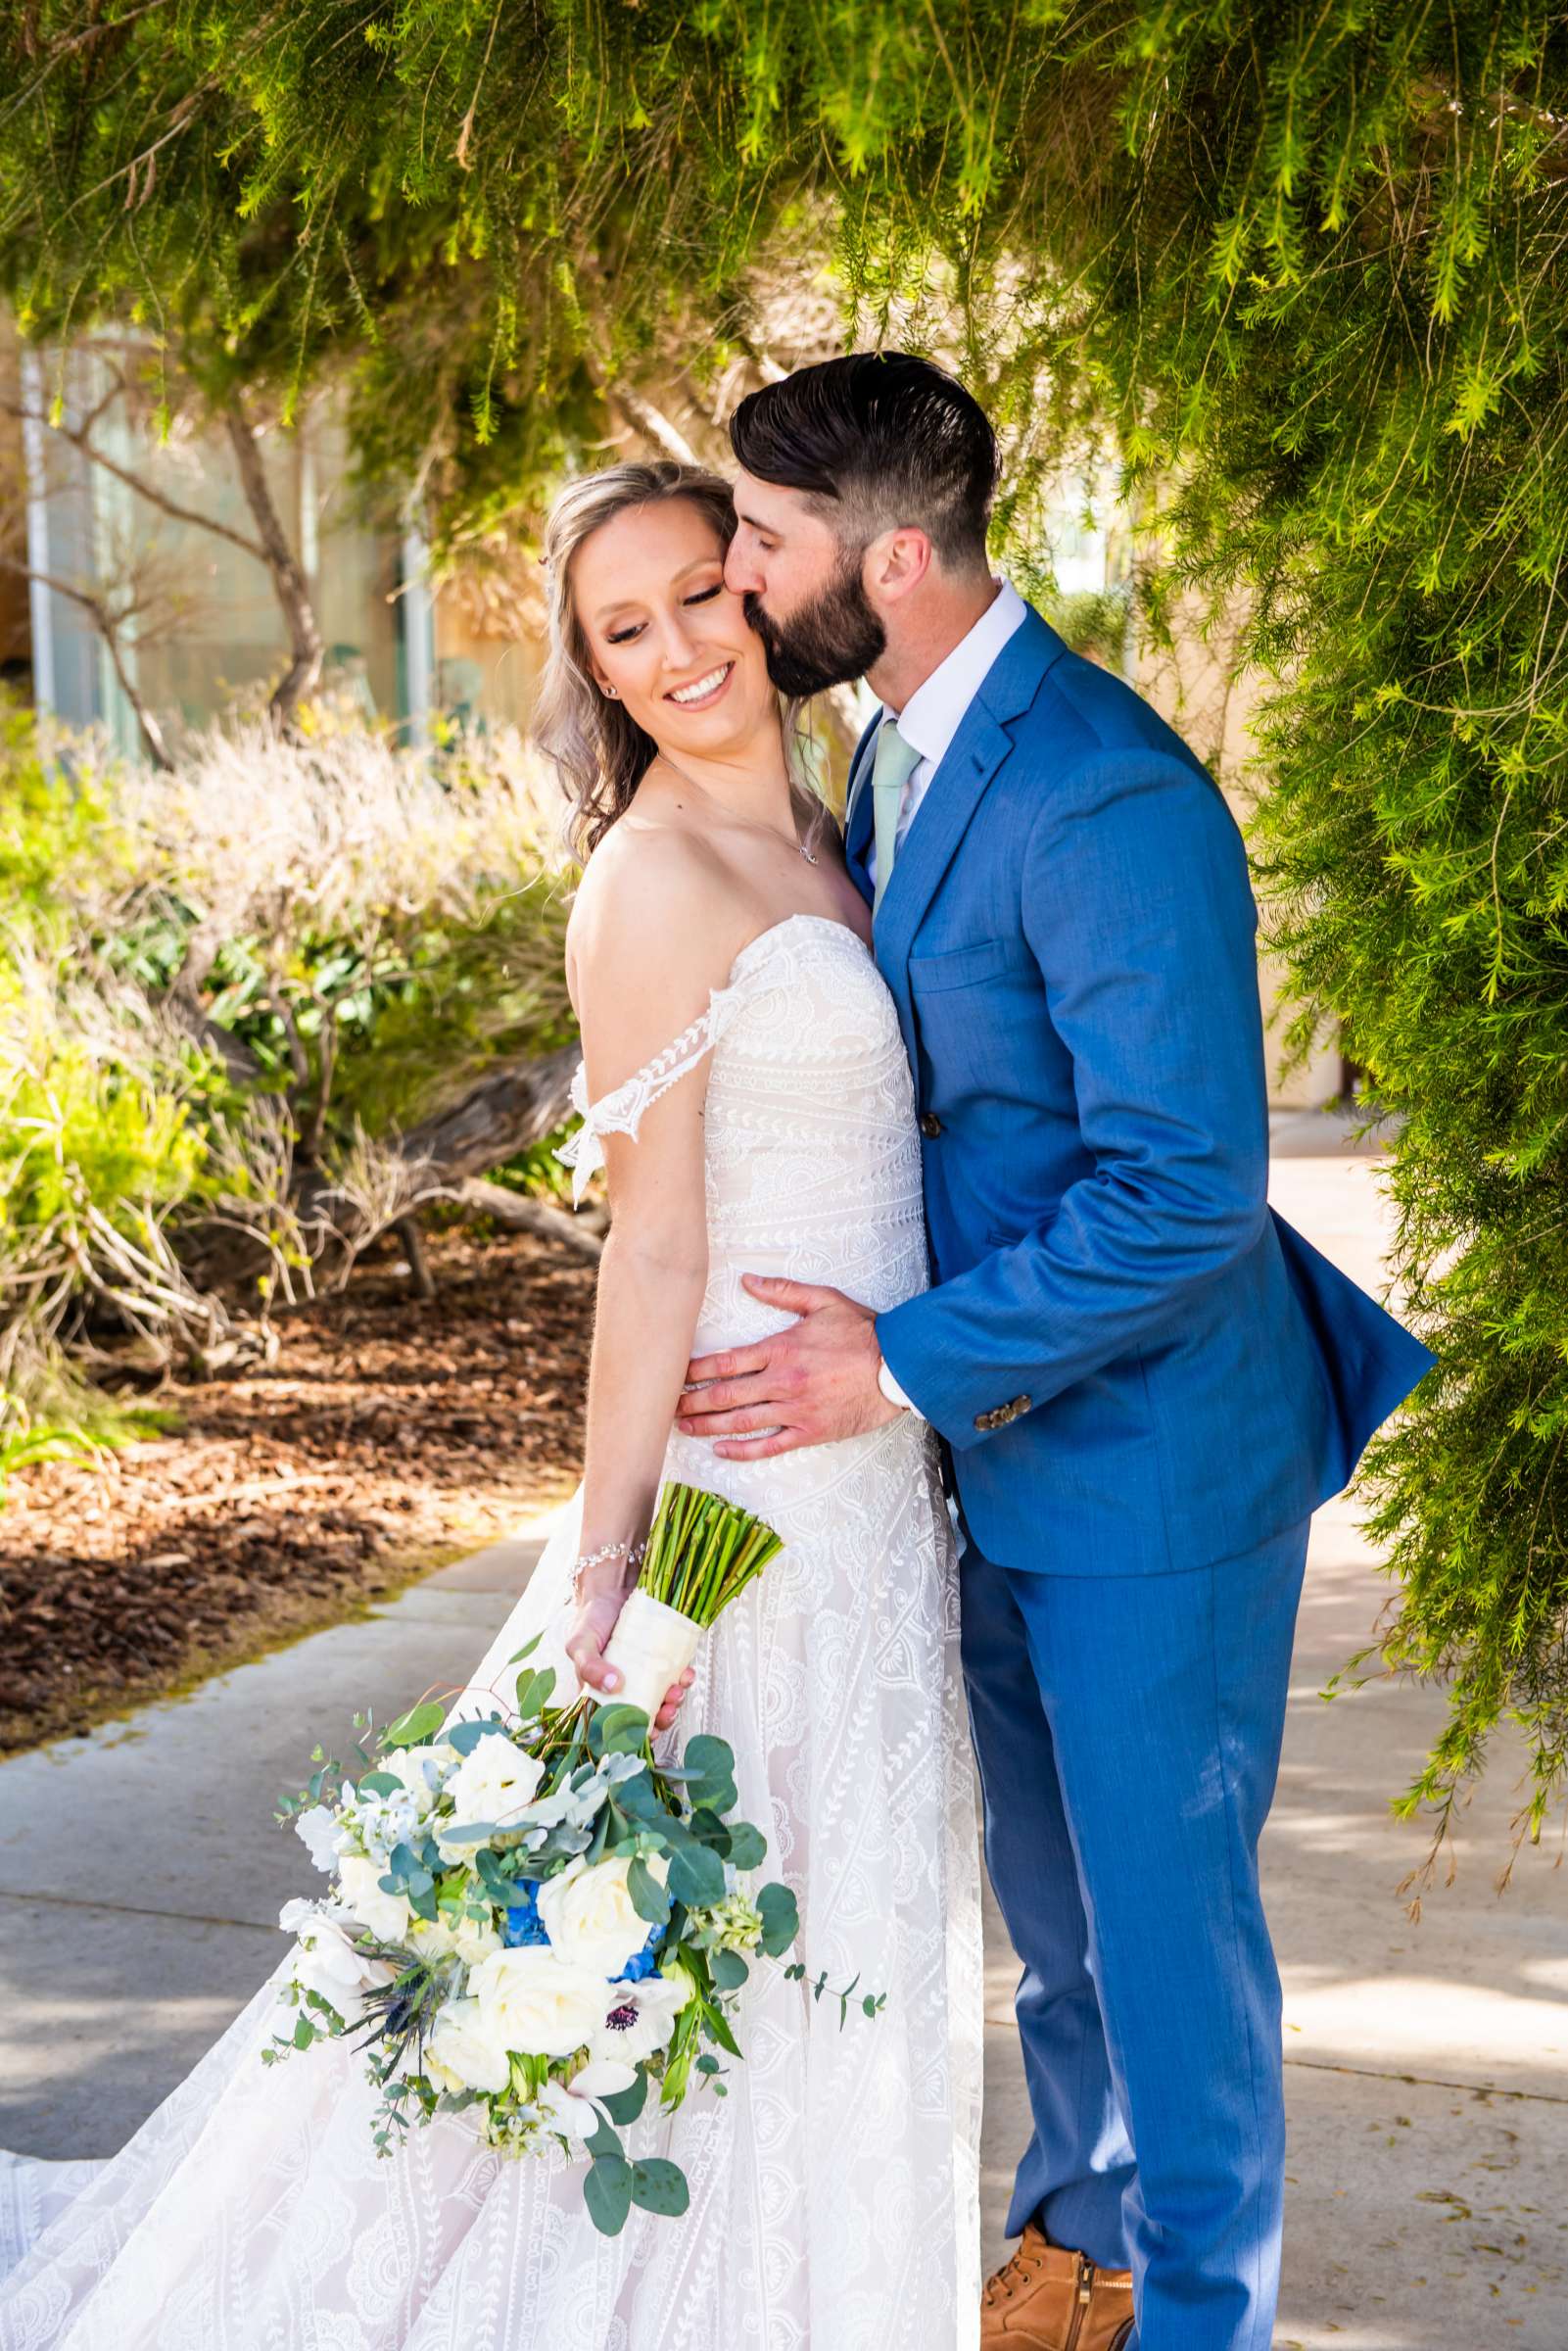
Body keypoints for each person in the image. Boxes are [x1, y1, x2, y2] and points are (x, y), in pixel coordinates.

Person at [0, 457, 984, 2348]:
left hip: (878, 1485)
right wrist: (607, 1571)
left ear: (761, 592)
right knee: (662, 1949)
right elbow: (650, 1254)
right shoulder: (648, 883)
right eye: (627, 629)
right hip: (741, 1501)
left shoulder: (839, 830)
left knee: (825, 1945)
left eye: (702, 593)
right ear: (594, 674)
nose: (683, 647)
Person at [673, 350, 1436, 2351]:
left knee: (1167, 1946)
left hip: (1158, 1472)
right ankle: (1077, 2253)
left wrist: (900, 1364)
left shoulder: (1103, 788)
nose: (739, 581)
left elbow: (1184, 1189)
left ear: (895, 557)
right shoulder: (902, 750)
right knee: (1062, 1928)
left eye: (764, 540)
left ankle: (1204, 2318)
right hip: (998, 1456)